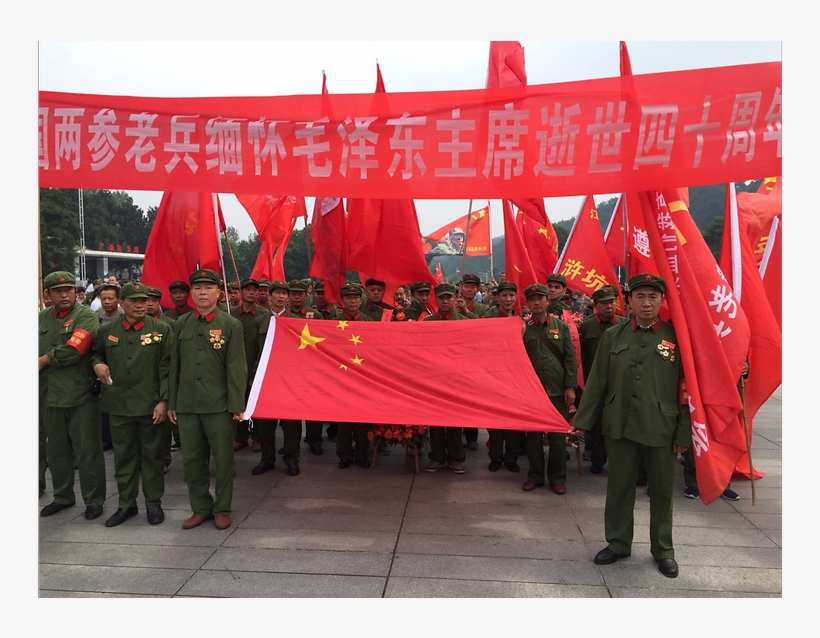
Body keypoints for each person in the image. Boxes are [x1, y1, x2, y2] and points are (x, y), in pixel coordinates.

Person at [568, 273, 691, 579]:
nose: (646, 303)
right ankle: (619, 543)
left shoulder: (677, 337)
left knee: (662, 491)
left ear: (662, 300)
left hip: (660, 426)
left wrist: (684, 432)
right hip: (619, 426)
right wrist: (581, 422)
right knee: (619, 488)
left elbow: (687, 389)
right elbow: (597, 382)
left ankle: (663, 549)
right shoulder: (614, 336)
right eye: (640, 297)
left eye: (652, 296)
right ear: (630, 301)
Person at [167, 269, 247, 530]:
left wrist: (237, 405)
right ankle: (200, 507)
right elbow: (174, 367)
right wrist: (172, 402)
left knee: (223, 460)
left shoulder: (229, 324)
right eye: (198, 288)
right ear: (192, 293)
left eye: (208, 288)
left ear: (218, 293)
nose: (202, 292)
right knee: (192, 461)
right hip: (188, 405)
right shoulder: (181, 324)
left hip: (219, 406)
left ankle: (222, 508)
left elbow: (237, 368)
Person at [91, 282, 172, 526]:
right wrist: (97, 364)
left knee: (152, 457)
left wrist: (164, 400)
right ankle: (126, 504)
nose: (140, 304)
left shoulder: (161, 329)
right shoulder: (107, 330)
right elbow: (96, 353)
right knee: (123, 458)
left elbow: (167, 367)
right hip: (119, 405)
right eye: (134, 301)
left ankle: (153, 503)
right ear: (121, 303)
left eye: (144, 300)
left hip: (150, 405)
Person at [39, 271, 107, 520]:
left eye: (68, 289)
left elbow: (74, 350)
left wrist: (44, 360)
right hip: (49, 396)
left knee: (87, 450)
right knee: (56, 450)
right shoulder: (41, 319)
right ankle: (63, 496)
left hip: (81, 395)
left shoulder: (86, 316)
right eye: (58, 291)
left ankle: (94, 499)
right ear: (48, 295)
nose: (65, 294)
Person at [521, 283, 577, 495]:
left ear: (547, 301)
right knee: (533, 437)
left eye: (540, 298)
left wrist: (570, 386)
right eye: (532, 299)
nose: (536, 302)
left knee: (557, 438)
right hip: (533, 392)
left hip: (557, 391)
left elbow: (570, 359)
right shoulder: (524, 328)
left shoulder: (561, 327)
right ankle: (534, 476)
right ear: (528, 303)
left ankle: (557, 478)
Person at [252, 279, 304, 476]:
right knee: (265, 423)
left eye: (285, 293)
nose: (281, 297)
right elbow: (253, 351)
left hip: (289, 377)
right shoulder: (260, 320)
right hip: (265, 377)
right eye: (278, 293)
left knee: (291, 423)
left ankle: (292, 459)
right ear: (270, 296)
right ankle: (267, 459)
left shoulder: (296, 321)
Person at [577, 285, 626, 474]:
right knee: (596, 425)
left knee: (616, 423)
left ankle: (618, 460)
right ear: (595, 305)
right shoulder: (587, 325)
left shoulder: (623, 324)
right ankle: (597, 459)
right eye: (604, 303)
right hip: (595, 382)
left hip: (618, 383)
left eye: (612, 302)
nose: (609, 306)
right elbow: (582, 356)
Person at [423, 282, 467, 474]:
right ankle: (437, 456)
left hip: (458, 379)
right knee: (435, 421)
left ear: (455, 298)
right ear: (436, 299)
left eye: (449, 297)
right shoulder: (427, 323)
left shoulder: (466, 322)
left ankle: (456, 458)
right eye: (441, 298)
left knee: (456, 421)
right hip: (434, 378)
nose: (446, 301)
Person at [483, 281, 524, 472]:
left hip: (515, 376)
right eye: (504, 295)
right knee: (496, 420)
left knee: (514, 421)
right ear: (497, 298)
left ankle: (511, 458)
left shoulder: (521, 320)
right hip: (494, 375)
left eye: (511, 295)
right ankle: (496, 457)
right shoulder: (487, 318)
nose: (508, 299)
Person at [335, 282, 374, 469]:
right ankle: (344, 455)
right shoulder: (333, 323)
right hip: (342, 376)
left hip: (363, 377)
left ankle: (362, 453)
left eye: (356, 297)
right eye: (348, 298)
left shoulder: (369, 323)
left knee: (362, 419)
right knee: (343, 420)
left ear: (361, 300)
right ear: (342, 300)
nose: (352, 301)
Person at [230, 278, 269, 454]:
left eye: (255, 290)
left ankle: (257, 438)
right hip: (236, 366)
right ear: (241, 292)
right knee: (238, 402)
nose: (252, 292)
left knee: (255, 403)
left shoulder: (263, 315)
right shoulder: (231, 314)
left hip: (255, 365)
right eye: (248, 289)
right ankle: (240, 437)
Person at [287, 279, 325, 456]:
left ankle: (314, 440)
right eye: (293, 293)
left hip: (311, 370)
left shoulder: (314, 315)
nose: (296, 297)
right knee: (291, 413)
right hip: (290, 369)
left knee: (313, 409)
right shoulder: (283, 317)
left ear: (306, 295)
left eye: (300, 294)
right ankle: (290, 444)